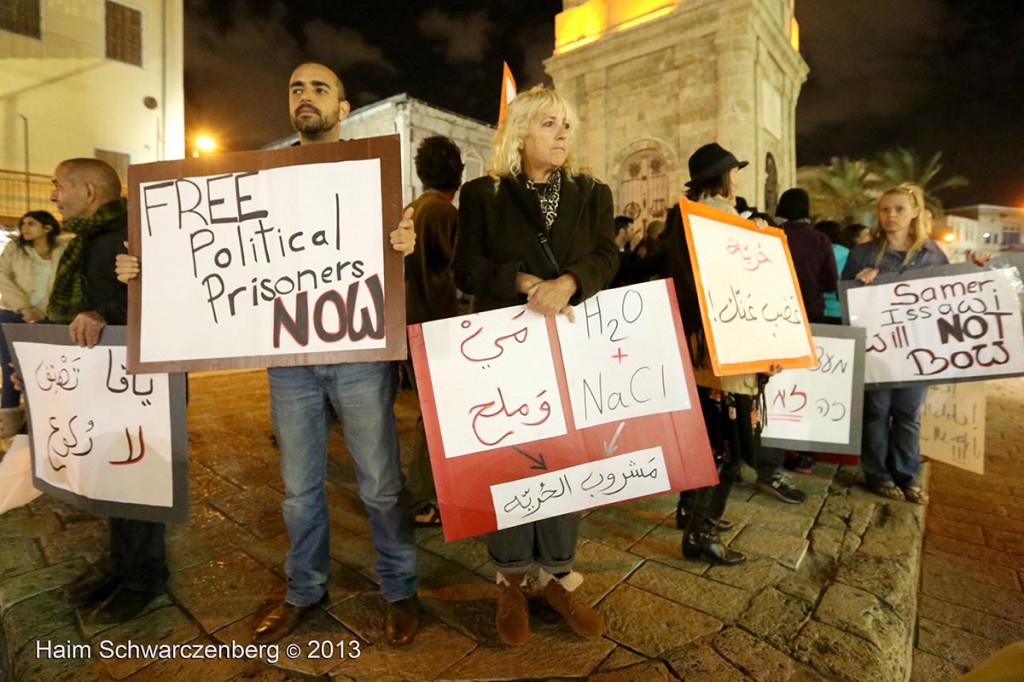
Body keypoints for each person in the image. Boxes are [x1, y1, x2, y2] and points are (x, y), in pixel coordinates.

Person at [116, 62, 420, 645]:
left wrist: (400, 243)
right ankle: (304, 589)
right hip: (288, 362)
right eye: (296, 88)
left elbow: (390, 252)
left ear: (343, 108)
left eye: (319, 89)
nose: (305, 96)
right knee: (298, 490)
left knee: (381, 484)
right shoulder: (256, 177)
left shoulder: (367, 173)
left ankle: (400, 588)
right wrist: (141, 271)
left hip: (358, 356)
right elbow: (198, 254)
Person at [452, 85, 616, 646]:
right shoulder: (482, 194)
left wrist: (570, 283)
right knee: (510, 458)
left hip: (570, 344)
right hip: (503, 347)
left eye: (566, 124)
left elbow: (607, 255)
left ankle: (558, 577)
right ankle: (509, 578)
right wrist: (526, 283)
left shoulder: (593, 192)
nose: (562, 134)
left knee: (563, 458)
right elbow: (467, 268)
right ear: (521, 132)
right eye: (548, 124)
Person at [663, 143, 805, 567]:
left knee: (706, 437)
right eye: (736, 171)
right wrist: (774, 347)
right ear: (725, 177)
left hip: (701, 349)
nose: (739, 178)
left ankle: (690, 512)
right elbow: (754, 296)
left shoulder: (685, 218)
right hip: (734, 350)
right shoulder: (730, 225)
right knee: (728, 447)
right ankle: (701, 532)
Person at [47, 158, 168, 625]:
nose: (55, 196)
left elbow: (162, 293)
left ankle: (145, 576)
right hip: (109, 377)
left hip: (144, 382)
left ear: (90, 192)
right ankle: (119, 565)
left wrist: (102, 313)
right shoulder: (90, 240)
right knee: (114, 476)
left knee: (141, 478)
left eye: (60, 186)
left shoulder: (137, 230)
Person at [841, 183, 948, 504]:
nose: (891, 215)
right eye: (885, 209)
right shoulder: (863, 252)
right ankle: (878, 474)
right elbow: (843, 295)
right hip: (877, 348)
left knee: (908, 413)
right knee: (876, 411)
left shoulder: (933, 254)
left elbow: (948, 299)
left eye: (899, 209)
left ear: (915, 211)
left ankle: (906, 475)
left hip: (917, 350)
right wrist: (858, 284)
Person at [404, 134, 466, 527]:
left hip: (414, 321)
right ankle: (419, 499)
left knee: (431, 413)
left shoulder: (412, 208)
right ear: (457, 176)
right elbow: (461, 270)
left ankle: (428, 491)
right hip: (437, 323)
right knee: (437, 415)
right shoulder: (444, 215)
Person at [0, 210, 67, 439]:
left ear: (47, 227)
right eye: (22, 224)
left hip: (47, 317)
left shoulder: (62, 250)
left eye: (31, 224)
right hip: (11, 314)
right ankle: (9, 432)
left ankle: (39, 428)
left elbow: (62, 283)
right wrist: (25, 309)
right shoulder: (14, 249)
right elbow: (3, 277)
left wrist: (42, 311)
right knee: (11, 370)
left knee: (44, 372)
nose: (24, 228)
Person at [774, 188, 837, 325]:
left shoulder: (771, 235)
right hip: (810, 310)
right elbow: (830, 282)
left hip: (774, 310)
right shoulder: (820, 239)